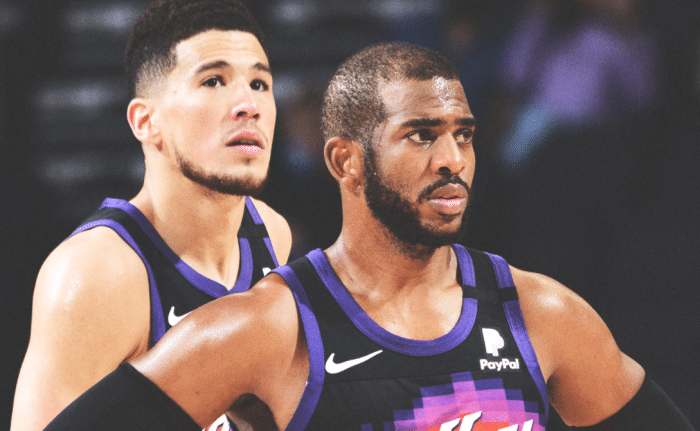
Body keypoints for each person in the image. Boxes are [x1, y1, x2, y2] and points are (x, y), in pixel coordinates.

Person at [44, 42, 693, 431]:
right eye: (421, 135)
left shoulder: (540, 313)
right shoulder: (266, 329)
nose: (453, 160)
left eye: (463, 135)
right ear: (346, 161)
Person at [10, 1, 291, 430]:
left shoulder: (271, 233)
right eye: (213, 81)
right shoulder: (97, 273)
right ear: (145, 121)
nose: (248, 105)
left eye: (259, 83)